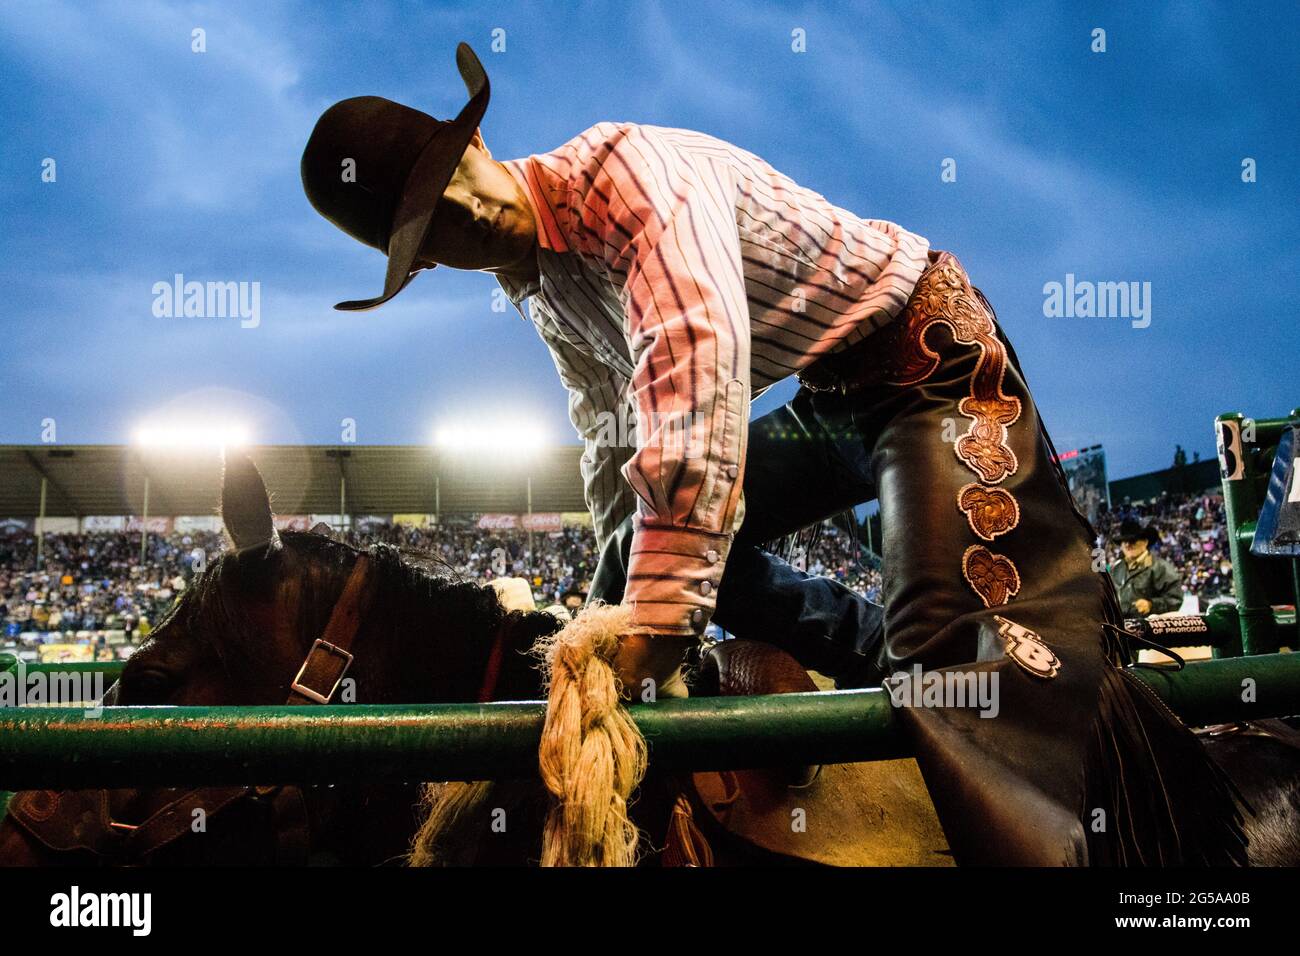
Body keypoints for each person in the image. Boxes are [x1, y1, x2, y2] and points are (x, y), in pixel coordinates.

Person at [298, 42, 1246, 864]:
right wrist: (606, 603)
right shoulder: (536, 283)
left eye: (455, 180)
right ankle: (881, 659)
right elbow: (609, 426)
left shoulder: (630, 176)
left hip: (929, 369)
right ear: (422, 259)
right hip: (834, 396)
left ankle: (1083, 816)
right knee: (645, 556)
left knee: (948, 667)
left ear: (475, 142)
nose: (471, 214)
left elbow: (696, 365)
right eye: (439, 226)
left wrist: (657, 621)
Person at [1110, 518, 1183, 617]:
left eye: (1132, 540)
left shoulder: (1161, 567)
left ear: (1145, 542)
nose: (1127, 544)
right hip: (1122, 627)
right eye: (1124, 541)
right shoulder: (1116, 569)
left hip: (1150, 628)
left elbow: (1175, 599)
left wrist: (1151, 605)